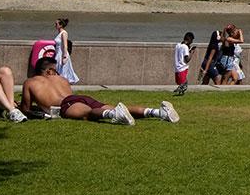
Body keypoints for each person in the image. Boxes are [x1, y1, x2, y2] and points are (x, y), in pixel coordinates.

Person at [22, 56, 176, 124]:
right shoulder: (61, 80)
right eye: (55, 70)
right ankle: (158, 112)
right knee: (112, 107)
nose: (57, 73)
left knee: (88, 114)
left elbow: (25, 109)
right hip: (81, 97)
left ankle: (114, 115)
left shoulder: (30, 82)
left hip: (67, 104)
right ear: (49, 71)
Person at [54, 17, 79, 83]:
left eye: (56, 24)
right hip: (58, 53)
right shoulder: (59, 33)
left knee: (62, 70)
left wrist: (64, 57)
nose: (55, 25)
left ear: (61, 25)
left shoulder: (64, 33)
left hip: (62, 54)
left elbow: (65, 45)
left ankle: (62, 84)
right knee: (58, 69)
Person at [172, 31, 194, 95]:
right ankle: (179, 91)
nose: (192, 42)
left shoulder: (177, 45)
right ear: (189, 39)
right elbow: (187, 59)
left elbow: (180, 54)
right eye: (192, 40)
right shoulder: (185, 47)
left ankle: (180, 91)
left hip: (177, 68)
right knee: (184, 84)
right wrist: (192, 52)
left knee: (183, 83)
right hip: (182, 68)